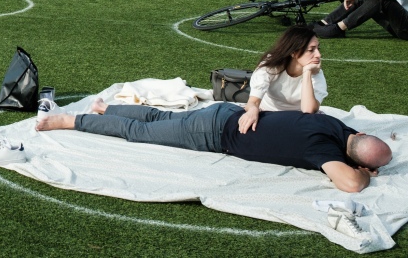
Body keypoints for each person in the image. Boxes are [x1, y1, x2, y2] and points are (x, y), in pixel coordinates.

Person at [36, 98, 391, 194]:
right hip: (212, 133)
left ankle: (105, 107)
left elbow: (360, 152)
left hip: (225, 113)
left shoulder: (335, 127)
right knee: (138, 132)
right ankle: (69, 120)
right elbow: (350, 184)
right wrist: (365, 175)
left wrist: (363, 156)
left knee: (158, 119)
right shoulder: (322, 150)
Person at [238, 26, 326, 134]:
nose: (318, 55)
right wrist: (252, 110)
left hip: (299, 119)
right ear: (293, 52)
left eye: (318, 48)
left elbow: (308, 110)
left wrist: (307, 72)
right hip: (268, 114)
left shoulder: (315, 72)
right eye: (311, 50)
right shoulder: (272, 65)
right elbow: (253, 102)